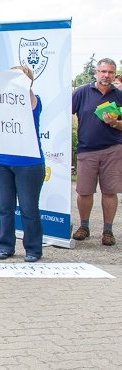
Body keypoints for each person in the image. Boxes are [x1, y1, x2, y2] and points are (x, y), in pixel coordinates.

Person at [0, 65, 45, 262]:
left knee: (28, 208)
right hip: (2, 160)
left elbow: (29, 95)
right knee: (5, 208)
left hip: (29, 163)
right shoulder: (0, 101)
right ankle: (5, 246)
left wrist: (24, 81)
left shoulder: (32, 99)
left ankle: (33, 249)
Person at [71, 57, 122, 246]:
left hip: (113, 149)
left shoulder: (119, 95)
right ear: (96, 73)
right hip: (86, 150)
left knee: (110, 192)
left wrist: (115, 123)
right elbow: (64, 113)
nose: (106, 75)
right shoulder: (82, 92)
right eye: (103, 71)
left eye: (110, 72)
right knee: (84, 192)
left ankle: (107, 231)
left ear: (114, 74)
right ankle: (84, 227)